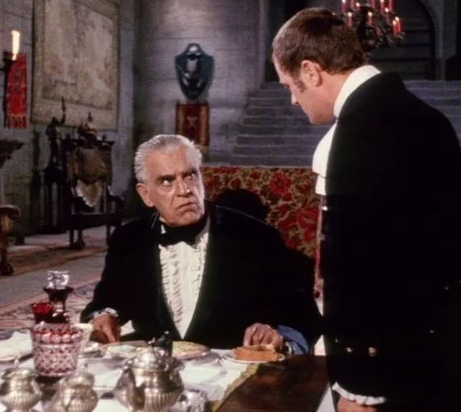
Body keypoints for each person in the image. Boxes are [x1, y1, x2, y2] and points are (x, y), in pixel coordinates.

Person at [271, 8, 461, 411]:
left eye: (290, 86)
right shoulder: (425, 116)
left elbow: (363, 272)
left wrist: (359, 387)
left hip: (391, 375)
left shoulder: (358, 132)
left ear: (311, 71)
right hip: (443, 347)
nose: (292, 99)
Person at [80, 134, 321, 355]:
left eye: (190, 175)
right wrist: (104, 315)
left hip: (235, 372)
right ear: (146, 195)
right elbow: (107, 301)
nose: (185, 190)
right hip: (155, 371)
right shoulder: (129, 239)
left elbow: (302, 316)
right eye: (167, 181)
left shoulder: (257, 236)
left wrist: (279, 337)